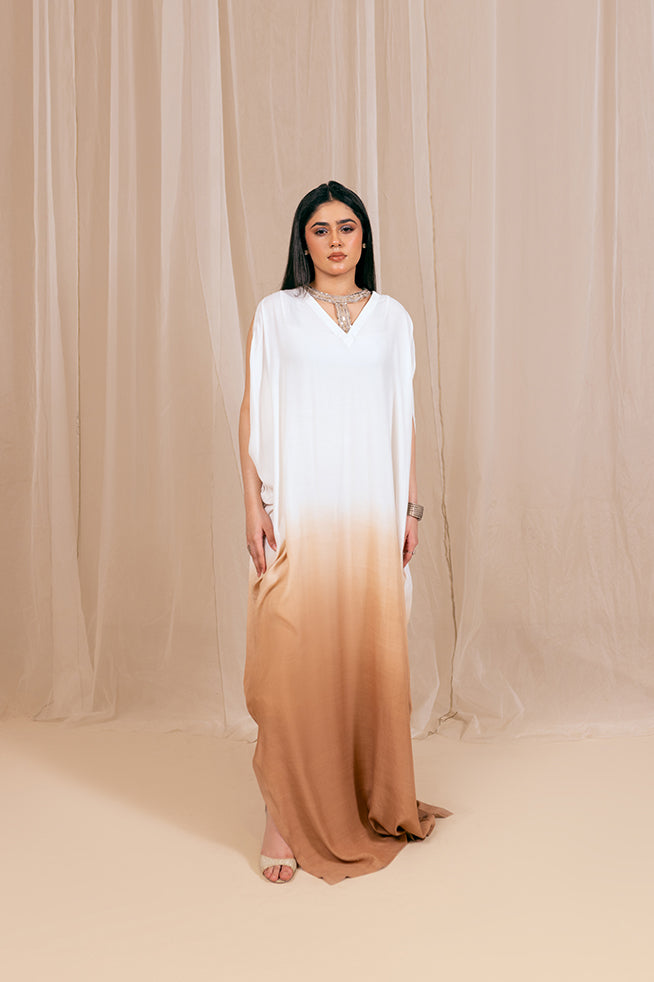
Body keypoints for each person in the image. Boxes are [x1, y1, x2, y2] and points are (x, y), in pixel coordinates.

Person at [238, 180, 451, 885]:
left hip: (370, 514)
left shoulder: (393, 318)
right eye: (321, 229)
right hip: (300, 509)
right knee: (291, 660)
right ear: (303, 241)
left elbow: (403, 418)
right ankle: (282, 811)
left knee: (362, 657)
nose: (335, 240)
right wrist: (252, 504)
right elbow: (252, 410)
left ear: (364, 238)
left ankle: (359, 791)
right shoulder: (277, 313)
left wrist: (410, 509)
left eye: (347, 227)